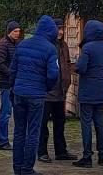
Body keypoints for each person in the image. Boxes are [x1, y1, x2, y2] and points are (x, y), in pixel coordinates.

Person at [9, 15, 60, 175]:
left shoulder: (22, 44)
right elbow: (53, 74)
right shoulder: (50, 49)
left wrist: (14, 87)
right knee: (33, 133)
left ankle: (17, 168)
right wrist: (46, 87)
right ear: (51, 32)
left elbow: (12, 70)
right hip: (36, 95)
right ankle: (27, 169)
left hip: (19, 93)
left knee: (19, 132)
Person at [73, 20, 103, 168]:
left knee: (86, 123)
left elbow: (80, 68)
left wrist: (78, 65)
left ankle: (87, 157)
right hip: (101, 89)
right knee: (99, 122)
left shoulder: (87, 47)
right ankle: (102, 156)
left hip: (87, 91)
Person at [38, 22, 74, 163]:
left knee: (60, 124)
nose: (61, 32)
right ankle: (42, 151)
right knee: (43, 124)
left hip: (61, 91)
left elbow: (68, 63)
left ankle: (61, 151)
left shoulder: (64, 45)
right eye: (58, 29)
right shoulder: (46, 45)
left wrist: (67, 79)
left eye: (62, 29)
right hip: (47, 93)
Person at [0, 20, 22, 150]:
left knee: (16, 112)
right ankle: (3, 141)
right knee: (5, 113)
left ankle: (15, 139)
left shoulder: (16, 44)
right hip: (6, 83)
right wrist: (12, 73)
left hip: (15, 83)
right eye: (15, 31)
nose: (17, 33)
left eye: (19, 31)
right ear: (9, 32)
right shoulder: (3, 44)